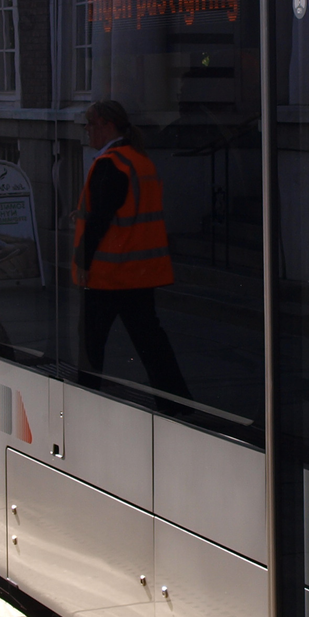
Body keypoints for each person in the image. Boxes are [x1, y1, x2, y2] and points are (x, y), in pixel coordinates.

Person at [74, 100, 191, 405]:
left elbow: (99, 220)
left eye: (90, 123)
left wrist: (82, 260)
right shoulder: (140, 161)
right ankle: (176, 401)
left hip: (108, 274)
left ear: (106, 125)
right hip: (139, 272)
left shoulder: (110, 164)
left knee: (91, 343)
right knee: (151, 340)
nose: (86, 130)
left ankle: (83, 401)